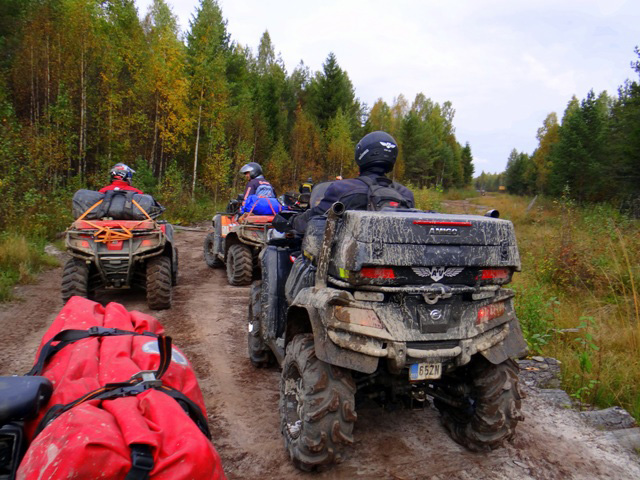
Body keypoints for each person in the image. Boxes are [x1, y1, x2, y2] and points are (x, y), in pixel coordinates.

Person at [292, 131, 414, 232]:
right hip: (395, 259)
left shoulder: (342, 189)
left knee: (302, 258)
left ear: (361, 154)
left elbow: (313, 219)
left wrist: (292, 221)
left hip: (347, 260)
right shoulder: (405, 195)